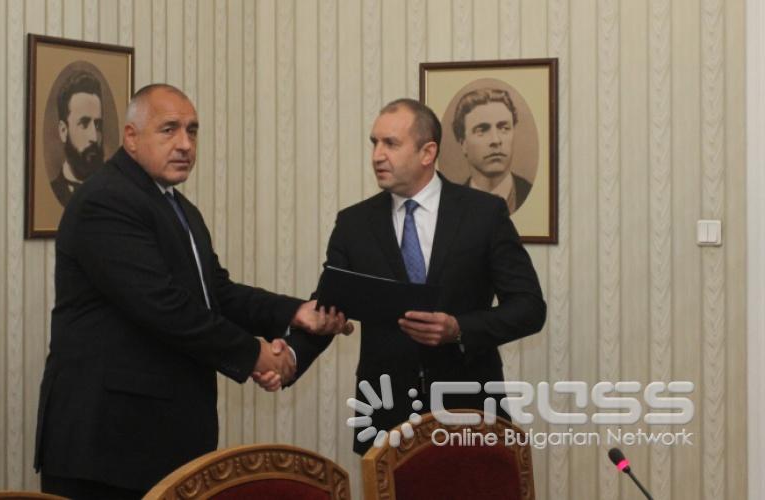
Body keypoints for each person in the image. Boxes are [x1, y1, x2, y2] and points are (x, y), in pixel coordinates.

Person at [34, 84, 350, 499]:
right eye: (169, 130)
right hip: (107, 446)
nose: (185, 144)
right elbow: (163, 307)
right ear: (131, 137)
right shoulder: (106, 201)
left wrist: (294, 313)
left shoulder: (176, 206)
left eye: (193, 130)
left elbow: (216, 292)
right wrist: (255, 354)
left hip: (159, 441)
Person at [282, 98, 546, 455]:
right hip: (385, 413)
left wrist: (459, 328)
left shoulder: (483, 214)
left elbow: (529, 307)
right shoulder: (354, 224)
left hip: (469, 408)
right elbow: (329, 310)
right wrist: (289, 358)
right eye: (374, 143)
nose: (377, 155)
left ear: (427, 152)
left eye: (390, 144)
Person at [452, 88, 532, 214]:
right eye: (482, 130)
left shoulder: (533, 195)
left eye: (504, 128)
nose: (496, 140)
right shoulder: (451, 205)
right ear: (463, 144)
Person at [51, 70, 106, 206]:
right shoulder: (53, 190)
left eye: (97, 125)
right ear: (63, 131)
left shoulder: (112, 193)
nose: (94, 137)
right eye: (84, 124)